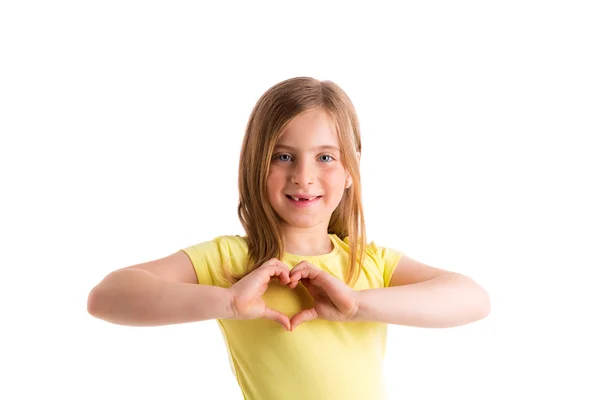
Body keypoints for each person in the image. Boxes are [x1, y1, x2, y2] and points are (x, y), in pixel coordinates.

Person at [87, 76, 490, 400]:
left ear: (351, 171)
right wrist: (228, 301)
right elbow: (107, 296)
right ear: (255, 166)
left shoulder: (369, 262)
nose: (303, 175)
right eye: (283, 156)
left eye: (325, 157)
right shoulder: (233, 261)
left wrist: (356, 306)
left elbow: (473, 298)